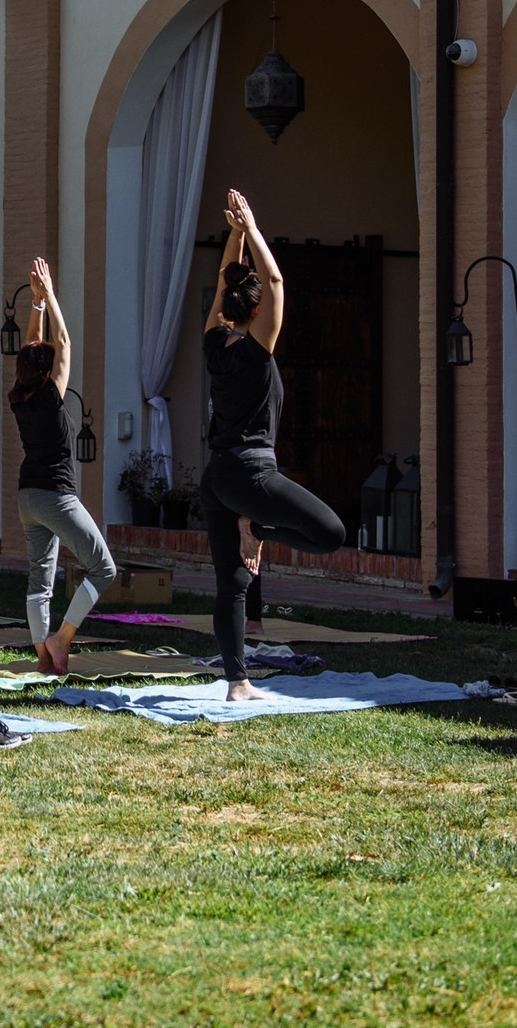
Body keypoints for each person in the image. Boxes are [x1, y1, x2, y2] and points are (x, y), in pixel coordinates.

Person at [199, 187, 346, 702]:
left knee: (232, 584)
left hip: (217, 477)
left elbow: (224, 284)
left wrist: (235, 236)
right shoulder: (260, 348)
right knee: (330, 532)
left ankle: (237, 682)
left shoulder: (214, 341)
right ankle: (258, 524)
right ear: (257, 311)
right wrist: (253, 229)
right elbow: (276, 279)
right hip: (251, 474)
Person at [11, 256, 116, 674]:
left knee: (41, 579)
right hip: (55, 495)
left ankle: (45, 660)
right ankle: (62, 638)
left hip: (27, 497)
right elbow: (66, 344)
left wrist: (35, 305)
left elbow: (31, 348)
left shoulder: (18, 395)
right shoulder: (53, 397)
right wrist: (51, 296)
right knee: (103, 568)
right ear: (47, 370)